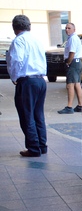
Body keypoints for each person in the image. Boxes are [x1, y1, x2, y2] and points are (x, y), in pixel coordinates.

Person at [6, 14, 48, 157]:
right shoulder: (36, 40)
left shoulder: (19, 41)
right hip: (40, 80)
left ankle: (33, 148)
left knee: (27, 115)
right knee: (38, 114)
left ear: (14, 28)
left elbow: (17, 60)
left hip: (27, 81)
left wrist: (14, 77)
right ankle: (42, 145)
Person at [58, 22, 82, 114]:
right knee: (77, 84)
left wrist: (68, 62)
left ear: (74, 29)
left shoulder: (73, 38)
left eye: (69, 28)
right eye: (66, 28)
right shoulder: (75, 38)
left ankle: (69, 107)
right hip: (78, 62)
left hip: (73, 63)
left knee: (70, 85)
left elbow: (72, 52)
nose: (66, 30)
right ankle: (80, 106)